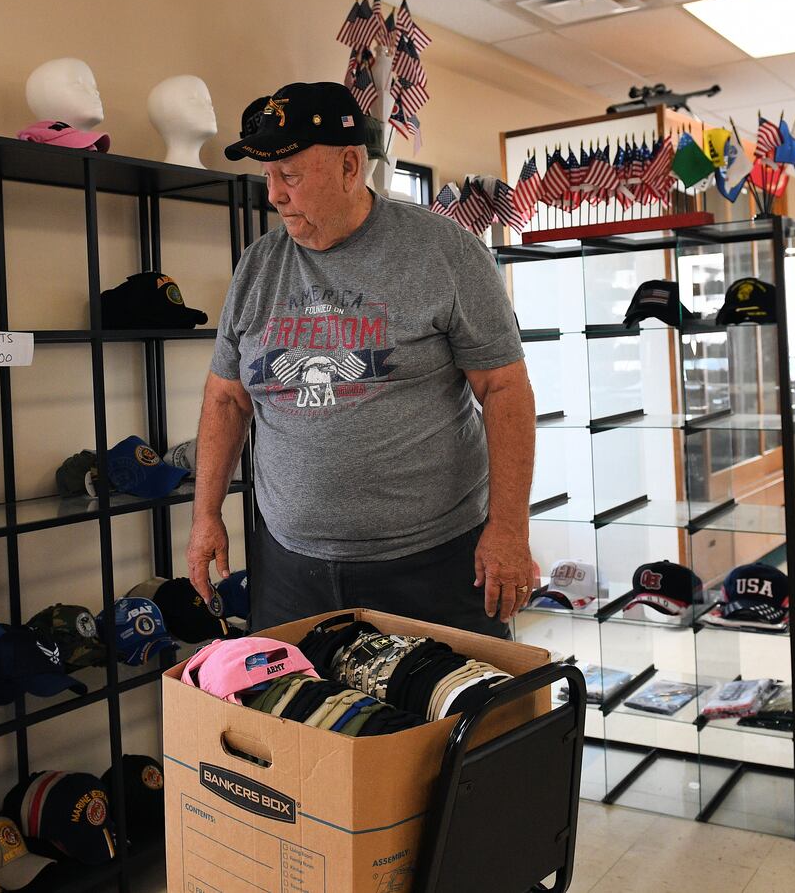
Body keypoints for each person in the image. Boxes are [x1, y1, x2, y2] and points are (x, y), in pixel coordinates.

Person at [186, 81, 537, 637]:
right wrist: (206, 513)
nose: (274, 194)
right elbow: (227, 396)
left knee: (447, 718)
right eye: (268, 176)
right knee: (302, 721)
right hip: (288, 564)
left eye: (291, 176)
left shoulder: (444, 252)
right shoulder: (258, 265)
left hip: (433, 562)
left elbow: (504, 389)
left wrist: (510, 528)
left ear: (351, 165)